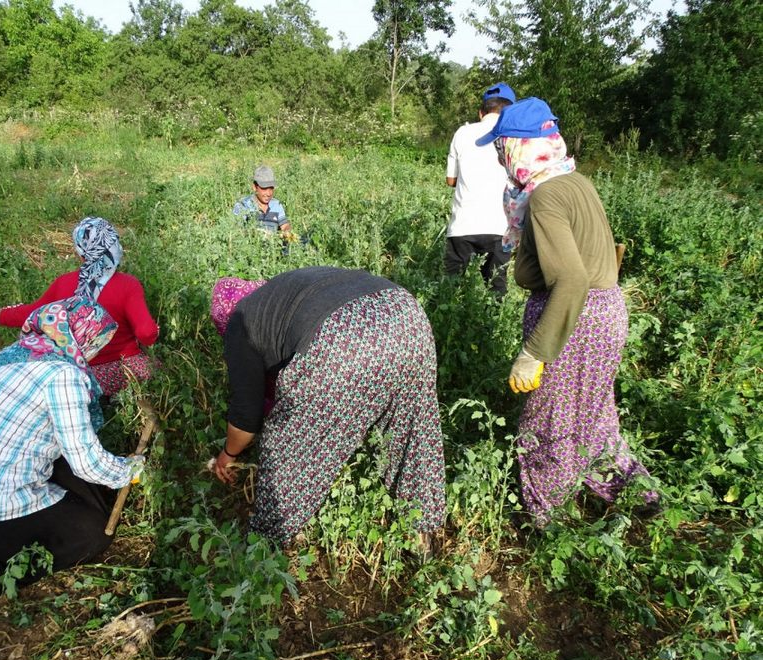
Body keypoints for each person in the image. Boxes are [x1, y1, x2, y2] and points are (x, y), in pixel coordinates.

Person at [475, 97, 658, 526]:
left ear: (519, 147)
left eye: (502, 147)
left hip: (574, 320)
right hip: (606, 310)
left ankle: (548, 517)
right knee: (594, 414)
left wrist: (534, 352)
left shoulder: (545, 197)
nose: (500, 157)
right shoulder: (576, 181)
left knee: (547, 423)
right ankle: (636, 494)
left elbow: (571, 280)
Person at [0, 297, 145, 610]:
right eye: (96, 343)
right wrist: (131, 469)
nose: (95, 353)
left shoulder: (9, 357)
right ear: (83, 337)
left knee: (68, 472)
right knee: (91, 534)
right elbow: (88, 464)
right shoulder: (63, 376)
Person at [208, 267, 446, 547]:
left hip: (343, 338)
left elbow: (245, 416)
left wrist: (228, 454)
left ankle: (267, 549)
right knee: (412, 433)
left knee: (286, 449)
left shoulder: (240, 319)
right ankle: (424, 541)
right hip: (407, 317)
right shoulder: (281, 293)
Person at [0, 216, 159, 396]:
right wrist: (154, 333)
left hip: (73, 373)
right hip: (118, 367)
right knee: (156, 368)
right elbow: (146, 332)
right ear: (114, 246)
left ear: (80, 252)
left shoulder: (64, 283)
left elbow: (33, 313)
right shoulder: (128, 285)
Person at [444, 82, 516, 295]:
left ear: (480, 112)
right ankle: (491, 328)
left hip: (463, 225)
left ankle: (444, 329)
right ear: (510, 112)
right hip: (500, 227)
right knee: (496, 289)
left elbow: (451, 180)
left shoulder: (462, 133)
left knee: (450, 290)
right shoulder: (515, 137)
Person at [232, 165, 291, 234]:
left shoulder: (276, 205)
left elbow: (285, 226)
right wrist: (255, 233)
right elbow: (235, 230)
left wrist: (287, 232)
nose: (268, 193)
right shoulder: (243, 205)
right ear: (254, 187)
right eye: (264, 188)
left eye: (271, 188)